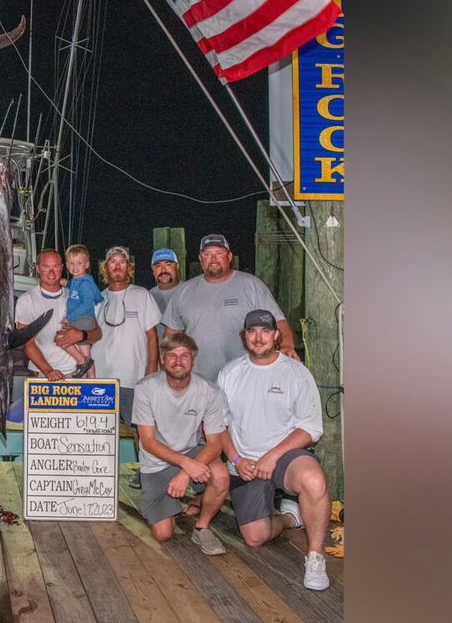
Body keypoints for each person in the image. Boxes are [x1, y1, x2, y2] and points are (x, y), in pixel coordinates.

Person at [219, 310, 330, 591]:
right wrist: (236, 458)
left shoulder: (296, 373)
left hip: (284, 458)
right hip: (245, 462)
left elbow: (310, 427)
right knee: (255, 537)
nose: (259, 337)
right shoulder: (230, 373)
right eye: (252, 331)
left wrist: (273, 455)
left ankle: (315, 557)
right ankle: (289, 517)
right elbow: (217, 426)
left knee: (314, 480)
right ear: (244, 336)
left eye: (265, 331)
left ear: (276, 334)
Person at [132, 332, 231, 554]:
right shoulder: (145, 388)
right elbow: (147, 441)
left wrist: (185, 471)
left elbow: (215, 444)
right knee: (163, 534)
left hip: (191, 451)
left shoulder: (210, 391)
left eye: (184, 356)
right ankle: (173, 504)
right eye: (172, 356)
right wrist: (186, 464)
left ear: (193, 360)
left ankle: (202, 527)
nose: (178, 362)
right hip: (157, 459)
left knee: (221, 475)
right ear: (162, 359)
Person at [163, 233, 297, 382]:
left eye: (219, 253)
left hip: (244, 379)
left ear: (230, 256)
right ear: (200, 259)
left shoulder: (251, 285)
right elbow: (171, 337)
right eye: (208, 254)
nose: (213, 259)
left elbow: (278, 322)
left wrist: (287, 347)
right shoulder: (184, 291)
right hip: (197, 381)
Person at [90, 246, 160, 489]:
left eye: (122, 262)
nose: (117, 265)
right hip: (101, 379)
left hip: (134, 378)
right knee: (100, 430)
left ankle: (147, 473)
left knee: (140, 430)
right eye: (112, 262)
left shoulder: (142, 295)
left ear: (129, 268)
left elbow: (152, 336)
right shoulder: (97, 298)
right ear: (104, 268)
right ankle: (98, 473)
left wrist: (151, 371)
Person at [14, 249, 102, 381]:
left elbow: (97, 333)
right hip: (42, 375)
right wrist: (49, 371)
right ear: (38, 268)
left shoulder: (76, 295)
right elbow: (28, 344)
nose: (51, 272)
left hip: (76, 374)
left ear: (62, 267)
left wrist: (81, 335)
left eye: (55, 266)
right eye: (46, 267)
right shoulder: (26, 300)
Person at [61, 244, 105, 377]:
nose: (75, 267)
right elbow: (78, 291)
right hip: (84, 319)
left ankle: (81, 362)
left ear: (86, 265)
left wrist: (69, 317)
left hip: (82, 319)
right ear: (67, 266)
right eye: (71, 263)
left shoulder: (85, 283)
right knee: (86, 353)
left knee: (61, 338)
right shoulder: (78, 280)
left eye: (79, 263)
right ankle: (91, 379)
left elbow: (87, 304)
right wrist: (67, 284)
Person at [149, 248, 182, 339]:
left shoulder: (190, 291)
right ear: (153, 269)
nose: (163, 270)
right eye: (158, 266)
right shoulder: (147, 297)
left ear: (177, 266)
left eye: (168, 264)